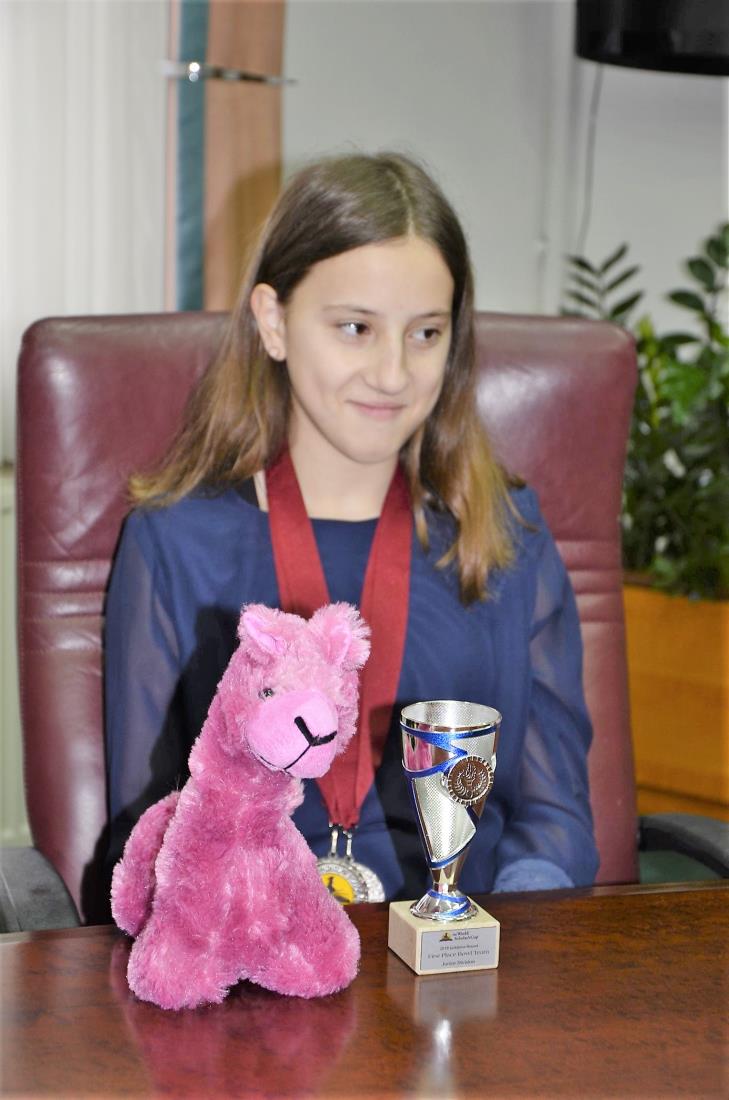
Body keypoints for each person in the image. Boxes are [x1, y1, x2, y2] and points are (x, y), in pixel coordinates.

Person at [104, 151, 599, 904]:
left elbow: (554, 818)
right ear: (274, 322)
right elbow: (144, 840)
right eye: (356, 327)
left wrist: (510, 947)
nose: (393, 374)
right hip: (253, 950)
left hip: (468, 948)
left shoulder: (504, 535)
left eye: (425, 334)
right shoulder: (174, 542)